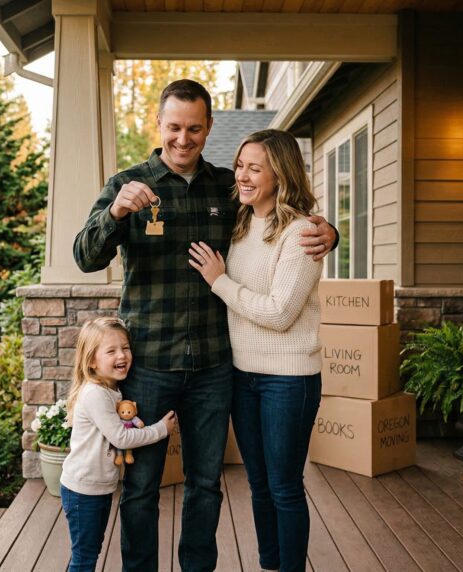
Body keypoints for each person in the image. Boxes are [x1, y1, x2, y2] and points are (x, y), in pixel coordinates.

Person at [73, 79, 336, 572]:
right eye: (174, 127)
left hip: (216, 366)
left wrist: (329, 231)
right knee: (142, 486)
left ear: (209, 128)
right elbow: (85, 257)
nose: (183, 139)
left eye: (194, 129)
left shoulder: (225, 186)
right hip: (149, 362)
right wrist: (113, 213)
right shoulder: (128, 185)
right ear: (158, 125)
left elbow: (276, 214)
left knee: (204, 484)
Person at [189, 129, 323, 572]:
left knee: (284, 485)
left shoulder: (302, 233)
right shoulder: (241, 222)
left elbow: (281, 313)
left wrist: (220, 282)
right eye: (240, 165)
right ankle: (270, 564)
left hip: (288, 379)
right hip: (242, 375)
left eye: (254, 168)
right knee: (259, 483)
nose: (241, 176)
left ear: (280, 173)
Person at [60, 317, 178, 572]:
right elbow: (121, 438)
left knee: (91, 551)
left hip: (98, 489)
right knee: (85, 557)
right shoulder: (95, 394)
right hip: (83, 491)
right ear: (91, 360)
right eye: (111, 351)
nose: (122, 355)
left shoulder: (111, 391)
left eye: (125, 348)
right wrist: (160, 430)